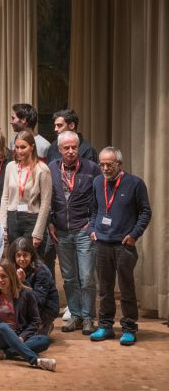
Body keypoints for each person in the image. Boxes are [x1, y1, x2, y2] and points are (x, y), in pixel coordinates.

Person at [89, 146, 151, 345]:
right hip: (102, 244)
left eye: (110, 164)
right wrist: (92, 228)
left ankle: (129, 327)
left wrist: (134, 234)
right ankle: (105, 326)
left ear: (119, 164)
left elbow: (145, 212)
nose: (105, 168)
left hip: (124, 245)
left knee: (126, 288)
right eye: (102, 164)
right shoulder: (97, 182)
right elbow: (94, 209)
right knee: (104, 288)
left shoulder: (135, 183)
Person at [47, 131, 100, 334]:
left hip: (83, 230)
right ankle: (76, 315)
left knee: (86, 276)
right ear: (59, 150)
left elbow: (99, 199)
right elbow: (48, 198)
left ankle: (88, 318)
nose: (70, 151)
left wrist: (92, 223)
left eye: (74, 147)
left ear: (79, 148)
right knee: (69, 278)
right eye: (66, 148)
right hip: (60, 231)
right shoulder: (51, 168)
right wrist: (51, 222)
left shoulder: (91, 168)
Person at [0, 259, 56, 371]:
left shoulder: (27, 293)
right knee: (4, 327)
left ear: (11, 276)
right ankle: (35, 361)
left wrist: (22, 337)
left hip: (19, 335)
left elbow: (35, 321)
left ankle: (5, 353)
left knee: (44, 340)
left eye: (3, 276)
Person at [0, 131, 52, 249]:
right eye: (17, 147)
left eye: (23, 147)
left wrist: (38, 233)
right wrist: (3, 226)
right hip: (12, 218)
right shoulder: (10, 167)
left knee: (32, 261)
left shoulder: (42, 169)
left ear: (32, 147)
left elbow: (45, 203)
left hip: (32, 219)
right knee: (14, 260)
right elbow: (5, 197)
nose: (19, 151)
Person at [9, 237, 60, 335]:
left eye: (25, 255)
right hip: (25, 307)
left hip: (45, 309)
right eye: (18, 255)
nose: (22, 259)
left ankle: (44, 324)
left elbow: (39, 300)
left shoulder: (41, 271)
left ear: (31, 255)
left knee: (31, 337)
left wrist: (23, 282)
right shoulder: (12, 268)